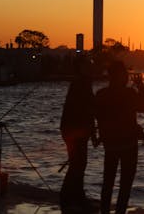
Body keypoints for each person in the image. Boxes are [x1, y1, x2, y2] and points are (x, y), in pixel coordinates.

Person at [95, 61, 144, 214]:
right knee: (125, 184)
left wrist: (100, 135)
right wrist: (141, 86)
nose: (127, 76)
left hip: (109, 144)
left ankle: (104, 211)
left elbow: (97, 116)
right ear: (118, 76)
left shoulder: (101, 94)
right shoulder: (129, 93)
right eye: (125, 73)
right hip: (128, 145)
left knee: (108, 182)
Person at [59, 55, 98, 212]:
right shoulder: (82, 82)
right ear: (81, 67)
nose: (91, 66)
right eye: (88, 64)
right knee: (78, 164)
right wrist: (93, 132)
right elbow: (89, 108)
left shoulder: (79, 81)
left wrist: (92, 132)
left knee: (77, 163)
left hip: (73, 128)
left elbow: (89, 109)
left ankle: (73, 196)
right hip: (75, 129)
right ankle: (72, 198)